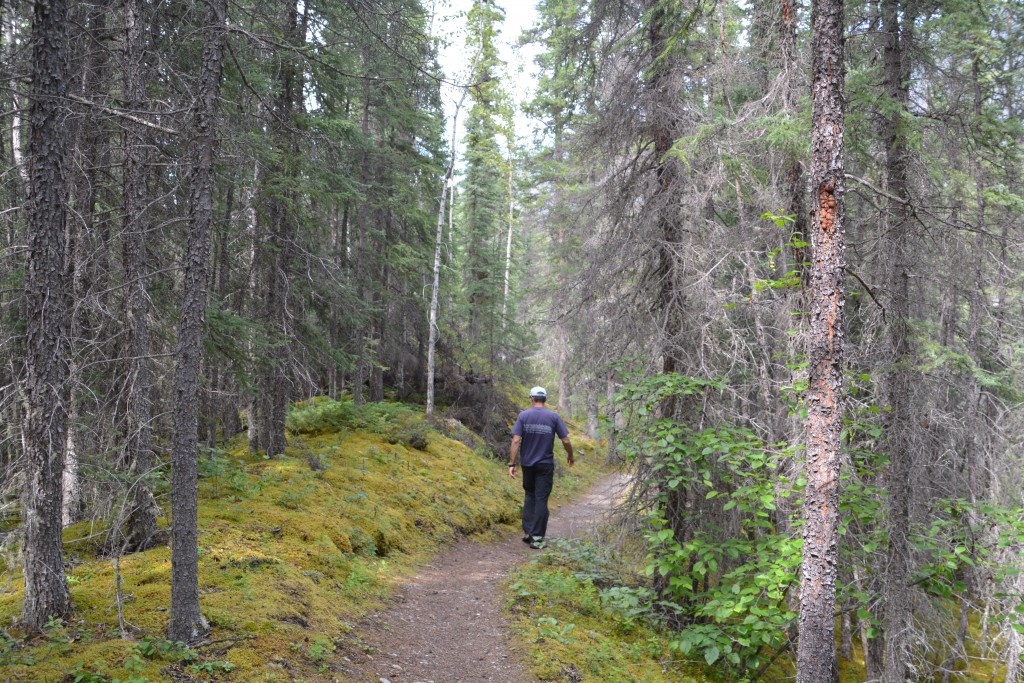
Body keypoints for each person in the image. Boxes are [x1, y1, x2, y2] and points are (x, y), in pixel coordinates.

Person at [508, 386, 574, 549]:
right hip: (545, 465)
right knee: (541, 499)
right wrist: (570, 455)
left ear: (532, 398)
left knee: (530, 496)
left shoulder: (524, 416)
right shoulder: (553, 417)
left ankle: (529, 533)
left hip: (528, 465)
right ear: (545, 399)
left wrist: (512, 464)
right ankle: (537, 538)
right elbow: (565, 440)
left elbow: (516, 441)